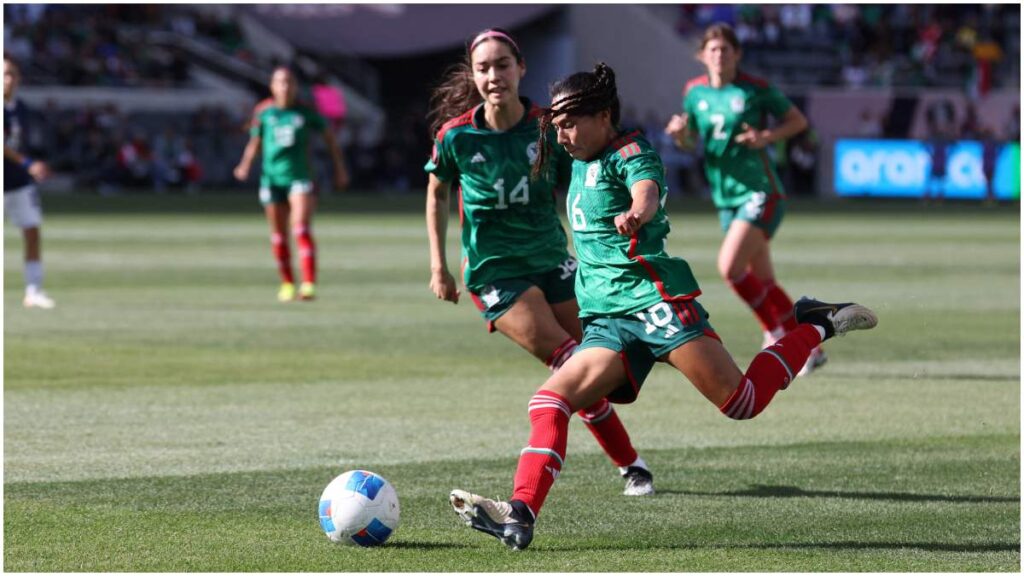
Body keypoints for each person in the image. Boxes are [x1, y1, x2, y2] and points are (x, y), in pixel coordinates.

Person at [448, 63, 877, 550]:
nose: (562, 134)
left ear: (604, 115)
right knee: (550, 400)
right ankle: (519, 512)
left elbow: (645, 187)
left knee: (742, 403)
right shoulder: (573, 155)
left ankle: (815, 325)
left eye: (570, 123)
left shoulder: (628, 151)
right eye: (558, 124)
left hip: (655, 303)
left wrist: (638, 210)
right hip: (607, 321)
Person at [425, 29, 655, 496]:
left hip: (554, 262)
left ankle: (626, 459)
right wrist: (439, 266)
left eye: (503, 65)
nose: (494, 76)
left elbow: (593, 163)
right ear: (474, 75)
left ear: (521, 68)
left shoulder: (547, 126)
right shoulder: (456, 136)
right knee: (571, 364)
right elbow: (437, 192)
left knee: (596, 360)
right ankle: (631, 464)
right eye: (484, 67)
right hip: (496, 274)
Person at [664, 23, 825, 375]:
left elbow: (798, 121)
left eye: (726, 49)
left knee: (730, 268)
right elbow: (692, 143)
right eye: (713, 50)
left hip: (760, 190)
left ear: (737, 53)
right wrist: (680, 136)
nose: (719, 55)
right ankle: (809, 345)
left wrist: (766, 136)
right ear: (702, 55)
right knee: (762, 280)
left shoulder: (755, 89)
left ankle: (778, 333)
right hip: (726, 197)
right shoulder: (694, 92)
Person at [234, 66, 349, 302]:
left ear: (296, 87)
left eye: (289, 82)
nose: (285, 87)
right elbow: (255, 142)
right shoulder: (264, 113)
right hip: (271, 178)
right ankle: (287, 283)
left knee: (300, 227)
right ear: (272, 86)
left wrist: (339, 168)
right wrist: (245, 165)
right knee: (278, 234)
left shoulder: (305, 113)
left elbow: (331, 140)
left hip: (300, 177)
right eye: (280, 82)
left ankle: (308, 284)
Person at [4, 55, 55, 309]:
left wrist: (36, 164)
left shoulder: (21, 108)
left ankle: (33, 291)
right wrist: (28, 164)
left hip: (19, 182)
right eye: (3, 74)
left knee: (32, 231)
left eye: (11, 74)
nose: (7, 80)